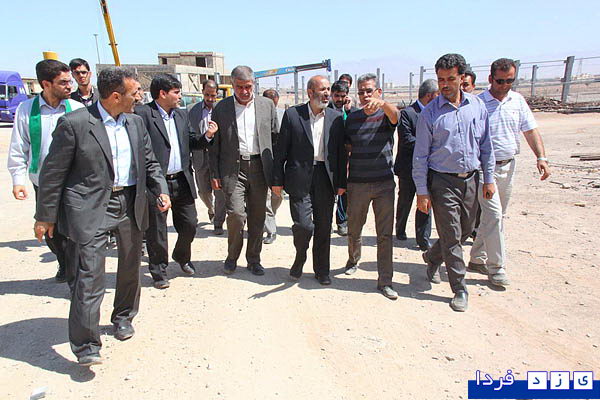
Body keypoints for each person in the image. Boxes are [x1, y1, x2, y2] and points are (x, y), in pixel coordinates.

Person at [33, 67, 170, 365]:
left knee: (130, 267)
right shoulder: (75, 124)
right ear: (116, 96)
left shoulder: (136, 123)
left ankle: (123, 317)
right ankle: (86, 345)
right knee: (89, 274)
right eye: (134, 93)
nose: (139, 97)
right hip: (90, 206)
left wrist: (160, 189)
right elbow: (53, 174)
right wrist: (45, 215)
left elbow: (149, 162)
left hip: (130, 202)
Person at [413, 53, 495, 312]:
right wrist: (422, 192)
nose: (445, 85)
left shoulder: (477, 107)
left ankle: (432, 256)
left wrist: (489, 179)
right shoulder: (430, 114)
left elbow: (486, 145)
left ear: (462, 78)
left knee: (466, 229)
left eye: (450, 79)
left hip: (471, 179)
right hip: (442, 182)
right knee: (451, 236)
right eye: (441, 80)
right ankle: (459, 288)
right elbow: (420, 156)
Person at [467, 58, 551, 287]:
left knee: (496, 216)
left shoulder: (517, 101)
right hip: (485, 170)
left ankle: (477, 258)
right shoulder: (478, 104)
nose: (505, 85)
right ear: (490, 79)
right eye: (500, 81)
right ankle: (497, 268)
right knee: (494, 215)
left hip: (508, 166)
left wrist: (541, 157)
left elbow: (530, 130)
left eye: (510, 81)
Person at [7, 60, 83, 283]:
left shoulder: (77, 109)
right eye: (63, 82)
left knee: (75, 230)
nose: (70, 86)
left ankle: (75, 274)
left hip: (73, 182)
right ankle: (64, 261)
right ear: (46, 84)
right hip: (42, 181)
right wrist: (18, 180)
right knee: (51, 231)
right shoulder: (26, 110)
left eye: (69, 81)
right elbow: (19, 146)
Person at [135, 74, 212, 289]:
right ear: (162, 93)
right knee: (157, 231)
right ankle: (159, 271)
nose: (180, 96)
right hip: (157, 184)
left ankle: (181, 256)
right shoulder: (143, 114)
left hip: (182, 180)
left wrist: (207, 136)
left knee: (190, 224)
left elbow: (192, 141)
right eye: (176, 92)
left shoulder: (181, 115)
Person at [272, 75, 346, 285]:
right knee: (304, 226)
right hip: (299, 178)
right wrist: (277, 180)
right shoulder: (293, 115)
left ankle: (322, 270)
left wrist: (341, 182)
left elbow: (340, 154)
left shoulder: (336, 118)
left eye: (328, 89)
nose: (327, 93)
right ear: (310, 92)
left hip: (325, 177)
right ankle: (300, 255)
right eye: (322, 89)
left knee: (324, 226)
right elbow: (281, 150)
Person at [208, 65, 278, 276]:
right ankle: (232, 257)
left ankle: (254, 259)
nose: (245, 91)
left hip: (260, 168)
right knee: (236, 215)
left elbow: (276, 138)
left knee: (257, 217)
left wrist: (276, 173)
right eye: (240, 87)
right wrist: (214, 174)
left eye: (248, 86)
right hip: (233, 170)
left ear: (253, 84)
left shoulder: (267, 105)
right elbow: (215, 145)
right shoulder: (221, 108)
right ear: (232, 85)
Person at [344, 73, 399, 300]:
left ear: (378, 92)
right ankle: (353, 260)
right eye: (361, 92)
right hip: (357, 184)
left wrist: (383, 104)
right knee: (354, 228)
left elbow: (396, 115)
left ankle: (385, 280)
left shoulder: (386, 115)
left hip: (384, 184)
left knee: (384, 234)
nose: (365, 95)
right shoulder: (352, 119)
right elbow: (347, 149)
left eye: (369, 91)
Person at [393, 79, 437, 250]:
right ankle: (400, 229)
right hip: (408, 168)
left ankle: (423, 239)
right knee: (405, 200)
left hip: (428, 168)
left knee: (425, 202)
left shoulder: (436, 113)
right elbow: (406, 140)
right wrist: (428, 145)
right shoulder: (408, 113)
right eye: (437, 95)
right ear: (430, 95)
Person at [189, 80, 226, 235]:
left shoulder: (223, 109)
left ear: (217, 93)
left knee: (220, 192)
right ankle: (211, 209)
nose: (210, 99)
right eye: (207, 95)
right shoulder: (192, 110)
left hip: (218, 156)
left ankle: (218, 222)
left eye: (213, 95)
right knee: (204, 191)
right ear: (202, 92)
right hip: (200, 156)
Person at [328, 79, 357, 237]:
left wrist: (349, 111)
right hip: (330, 156)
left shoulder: (352, 112)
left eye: (343, 96)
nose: (339, 99)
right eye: (337, 96)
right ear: (332, 95)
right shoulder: (325, 110)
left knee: (343, 191)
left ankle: (342, 222)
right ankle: (324, 221)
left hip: (346, 158)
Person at [262, 88, 284, 244]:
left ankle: (271, 215)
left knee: (277, 196)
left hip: (280, 161)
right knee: (265, 197)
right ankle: (271, 230)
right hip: (263, 160)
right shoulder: (258, 115)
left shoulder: (284, 115)